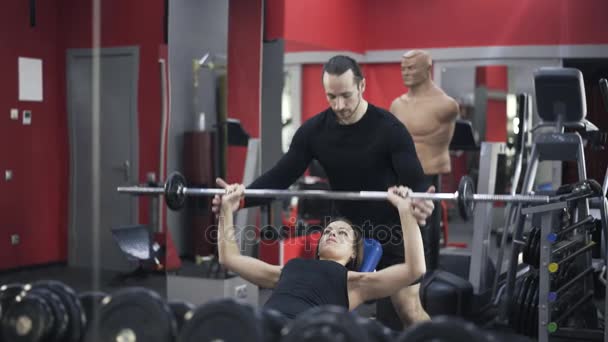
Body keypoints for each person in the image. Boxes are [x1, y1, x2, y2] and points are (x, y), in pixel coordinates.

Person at [213, 55, 434, 326]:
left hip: (393, 226)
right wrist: (240, 199)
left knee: (406, 307)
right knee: (331, 296)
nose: (339, 105)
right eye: (331, 97)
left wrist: (423, 200)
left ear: (362, 86)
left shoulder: (390, 129)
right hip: (347, 228)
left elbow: (415, 179)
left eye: (346, 95)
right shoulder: (314, 131)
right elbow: (280, 177)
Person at [217, 182, 426, 319]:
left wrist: (405, 211)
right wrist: (226, 209)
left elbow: (415, 270)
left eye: (342, 233)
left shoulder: (354, 282)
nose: (332, 234)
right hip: (264, 328)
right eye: (328, 231)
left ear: (354, 253)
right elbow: (229, 258)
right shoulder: (288, 269)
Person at [390, 50, 459, 271]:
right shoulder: (397, 105)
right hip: (400, 177)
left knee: (425, 237)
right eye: (403, 68)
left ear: (427, 69)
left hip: (428, 174)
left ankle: (427, 284)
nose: (405, 73)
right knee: (399, 236)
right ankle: (399, 283)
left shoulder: (446, 105)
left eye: (411, 68)